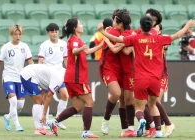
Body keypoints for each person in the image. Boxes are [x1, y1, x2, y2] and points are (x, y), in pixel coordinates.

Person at [98, 16, 195, 138]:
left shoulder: (135, 38)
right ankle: (159, 131)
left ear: (141, 26)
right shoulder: (158, 38)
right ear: (151, 27)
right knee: (153, 104)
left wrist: (102, 32)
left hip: (140, 78)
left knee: (139, 106)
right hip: (155, 78)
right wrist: (187, 26)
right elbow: (176, 36)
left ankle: (142, 120)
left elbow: (117, 39)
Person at [47, 18, 102, 138]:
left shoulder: (77, 40)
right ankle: (86, 132)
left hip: (70, 78)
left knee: (78, 107)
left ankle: (54, 122)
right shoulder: (74, 40)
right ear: (75, 28)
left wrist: (102, 44)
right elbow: (75, 50)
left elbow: (86, 51)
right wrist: (80, 49)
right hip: (76, 78)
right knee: (89, 102)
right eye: (80, 24)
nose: (82, 25)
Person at [102, 9, 137, 137]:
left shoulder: (128, 33)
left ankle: (126, 129)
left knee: (126, 100)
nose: (113, 22)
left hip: (125, 69)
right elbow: (115, 49)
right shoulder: (114, 31)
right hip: (110, 66)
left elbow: (123, 49)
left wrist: (105, 36)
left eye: (115, 20)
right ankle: (105, 120)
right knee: (117, 94)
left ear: (120, 23)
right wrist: (105, 36)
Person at [0, 25, 34, 132]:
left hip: (20, 78)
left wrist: (35, 74)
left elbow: (30, 61)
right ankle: (17, 125)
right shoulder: (6, 47)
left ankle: (7, 117)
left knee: (20, 105)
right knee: (13, 100)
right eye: (15, 34)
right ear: (11, 35)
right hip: (8, 76)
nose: (17, 36)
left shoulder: (25, 47)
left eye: (19, 34)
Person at [20, 64, 65, 135]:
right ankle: (39, 129)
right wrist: (44, 114)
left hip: (34, 74)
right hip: (29, 75)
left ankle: (42, 127)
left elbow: (45, 89)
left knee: (41, 100)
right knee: (38, 101)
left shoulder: (62, 72)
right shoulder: (59, 79)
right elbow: (49, 96)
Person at [38, 23, 68, 129]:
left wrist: (69, 71)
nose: (54, 34)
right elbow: (40, 61)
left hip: (59, 73)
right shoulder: (44, 45)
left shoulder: (63, 44)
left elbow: (65, 60)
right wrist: (39, 76)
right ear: (48, 33)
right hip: (47, 75)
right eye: (52, 32)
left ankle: (58, 120)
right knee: (46, 98)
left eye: (56, 31)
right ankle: (44, 122)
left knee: (65, 95)